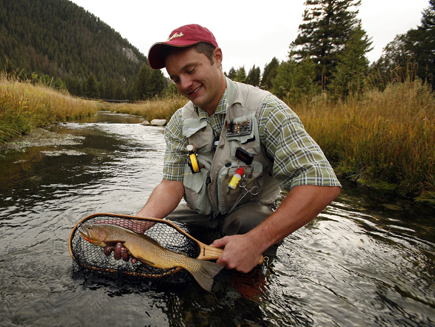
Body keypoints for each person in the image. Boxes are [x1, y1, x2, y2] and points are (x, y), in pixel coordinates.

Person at [134, 24, 341, 274]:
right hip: (200, 217)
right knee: (148, 225)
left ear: (217, 58)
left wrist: (255, 242)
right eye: (176, 78)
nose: (185, 84)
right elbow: (171, 184)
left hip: (246, 221)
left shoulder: (265, 109)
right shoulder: (179, 120)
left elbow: (320, 182)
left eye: (190, 70)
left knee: (250, 222)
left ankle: (249, 285)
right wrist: (137, 226)